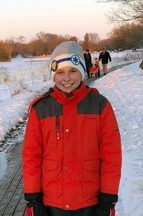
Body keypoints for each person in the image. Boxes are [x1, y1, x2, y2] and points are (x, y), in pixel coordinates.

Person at [22, 41, 122, 216]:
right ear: (53, 75)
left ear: (82, 71)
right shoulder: (40, 109)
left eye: (73, 71)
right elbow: (31, 157)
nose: (66, 78)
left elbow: (111, 156)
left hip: (91, 201)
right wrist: (33, 199)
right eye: (60, 72)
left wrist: (108, 198)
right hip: (52, 202)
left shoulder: (100, 105)